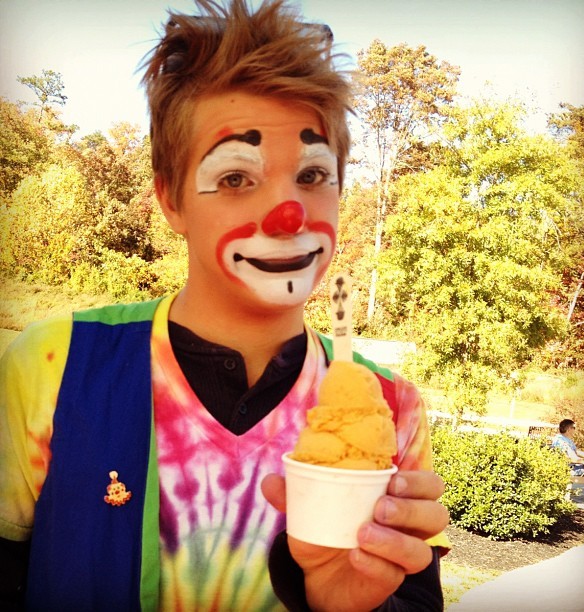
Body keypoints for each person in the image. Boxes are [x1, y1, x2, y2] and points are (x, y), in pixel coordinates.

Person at [0, 1, 450, 610]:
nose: (288, 214)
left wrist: (348, 602)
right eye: (237, 177)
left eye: (313, 176)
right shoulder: (54, 366)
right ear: (172, 201)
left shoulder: (393, 407)